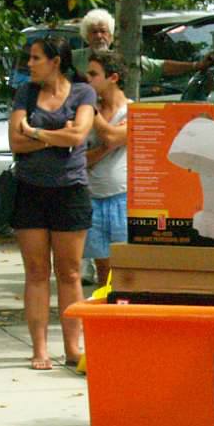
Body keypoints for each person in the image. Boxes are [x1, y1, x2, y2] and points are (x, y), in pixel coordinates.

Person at [8, 34, 96, 370]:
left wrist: (36, 133)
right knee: (36, 271)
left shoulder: (82, 92)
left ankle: (73, 348)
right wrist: (55, 139)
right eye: (29, 58)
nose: (29, 65)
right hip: (30, 189)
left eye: (35, 58)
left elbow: (79, 136)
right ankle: (40, 349)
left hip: (70, 190)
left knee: (70, 273)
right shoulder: (25, 93)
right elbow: (15, 140)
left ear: (56, 62)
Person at [82, 49, 130, 288]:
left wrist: (91, 111)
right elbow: (81, 158)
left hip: (123, 196)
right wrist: (107, 147)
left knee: (124, 264)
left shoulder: (132, 111)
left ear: (113, 77)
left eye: (94, 74)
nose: (88, 80)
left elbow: (111, 136)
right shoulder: (87, 113)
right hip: (94, 197)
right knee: (102, 267)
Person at [75, 7, 212, 87]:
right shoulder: (74, 58)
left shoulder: (122, 59)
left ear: (111, 35)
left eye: (103, 31)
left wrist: (197, 65)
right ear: (86, 36)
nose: (99, 36)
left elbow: (162, 66)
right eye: (94, 32)